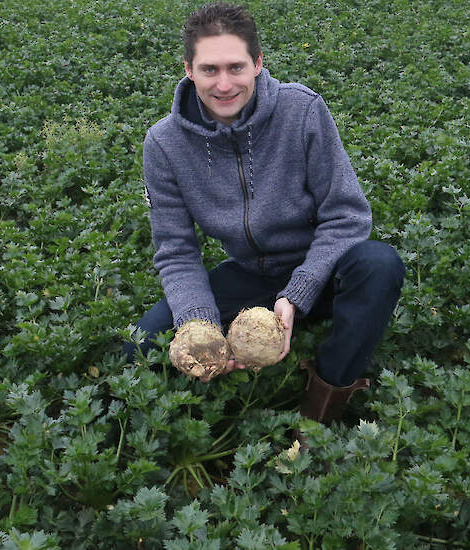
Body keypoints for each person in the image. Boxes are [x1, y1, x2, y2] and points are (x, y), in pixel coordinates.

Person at [124, 2, 405, 427]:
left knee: (379, 265)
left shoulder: (302, 110)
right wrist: (199, 327)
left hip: (321, 267)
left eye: (236, 67)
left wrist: (298, 293)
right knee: (141, 344)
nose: (223, 84)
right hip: (250, 274)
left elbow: (346, 215)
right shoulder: (164, 144)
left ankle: (323, 400)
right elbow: (177, 251)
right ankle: (216, 400)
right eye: (209, 70)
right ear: (188, 69)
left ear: (258, 63)